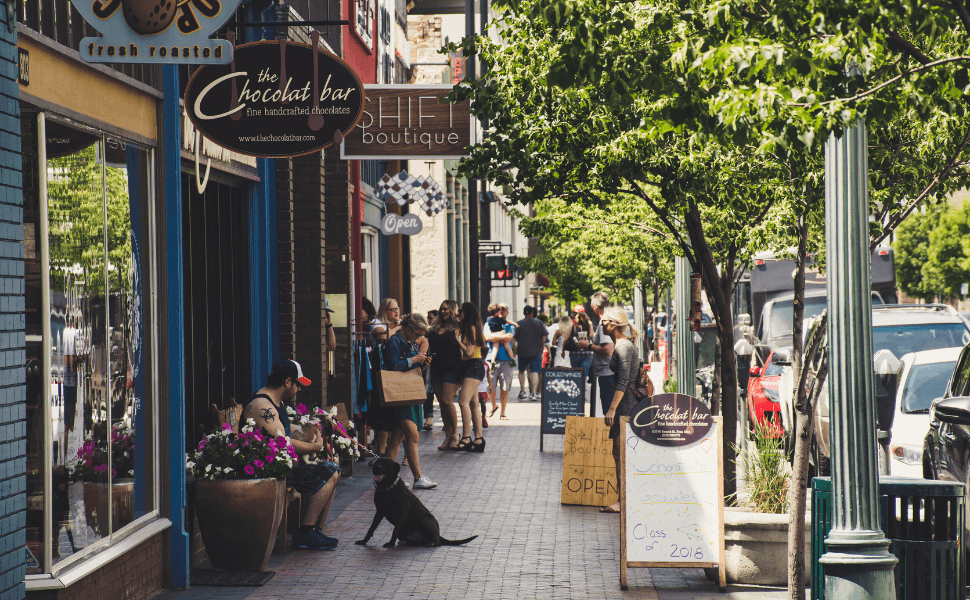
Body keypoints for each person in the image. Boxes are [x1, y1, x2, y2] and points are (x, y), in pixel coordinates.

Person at [243, 360, 341, 549]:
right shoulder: (262, 406)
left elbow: (285, 430)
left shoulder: (274, 402)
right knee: (329, 471)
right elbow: (283, 442)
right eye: (298, 384)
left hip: (282, 462)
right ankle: (306, 532)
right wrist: (315, 446)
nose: (299, 389)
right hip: (269, 468)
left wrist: (314, 428)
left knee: (332, 466)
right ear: (288, 382)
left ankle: (314, 530)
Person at [384, 313, 438, 489]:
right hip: (401, 395)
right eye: (417, 333)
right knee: (413, 435)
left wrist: (423, 362)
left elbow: (411, 366)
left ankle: (388, 477)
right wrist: (415, 359)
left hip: (408, 393)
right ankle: (418, 477)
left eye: (420, 334)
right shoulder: (395, 341)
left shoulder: (409, 342)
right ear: (408, 327)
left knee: (397, 438)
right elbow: (393, 366)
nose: (418, 337)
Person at [599, 307, 641, 514]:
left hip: (626, 405)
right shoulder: (622, 344)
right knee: (619, 453)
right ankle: (624, 498)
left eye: (604, 321)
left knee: (621, 453)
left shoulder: (623, 346)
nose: (601, 324)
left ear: (614, 324)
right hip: (626, 404)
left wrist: (612, 409)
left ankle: (623, 501)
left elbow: (624, 380)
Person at [427, 300, 462, 450]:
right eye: (441, 309)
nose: (443, 312)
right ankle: (447, 436)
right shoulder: (434, 328)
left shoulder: (458, 327)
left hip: (452, 368)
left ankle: (455, 434)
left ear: (453, 310)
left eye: (446, 309)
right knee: (442, 402)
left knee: (447, 400)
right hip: (436, 368)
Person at [575, 292, 614, 415]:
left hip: (607, 374)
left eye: (591, 308)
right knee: (610, 412)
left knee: (608, 412)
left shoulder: (604, 323)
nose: (591, 311)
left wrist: (588, 346)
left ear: (595, 308)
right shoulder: (609, 319)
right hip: (608, 373)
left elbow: (607, 350)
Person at [455, 302, 487, 451]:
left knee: (463, 402)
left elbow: (468, 352)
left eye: (461, 310)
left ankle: (466, 437)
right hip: (472, 366)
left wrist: (457, 340)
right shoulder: (472, 328)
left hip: (473, 366)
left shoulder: (471, 329)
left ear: (467, 313)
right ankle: (478, 439)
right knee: (474, 404)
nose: (458, 313)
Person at [483, 303, 516, 420]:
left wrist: (496, 337)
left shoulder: (509, 325)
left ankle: (503, 412)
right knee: (490, 386)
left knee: (505, 387)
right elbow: (487, 337)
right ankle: (493, 406)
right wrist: (502, 336)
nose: (501, 311)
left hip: (506, 360)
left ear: (507, 312)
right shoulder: (488, 323)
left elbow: (509, 337)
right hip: (490, 359)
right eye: (500, 309)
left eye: (504, 309)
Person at [515, 305, 548, 401]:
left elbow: (514, 337)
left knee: (521, 371)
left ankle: (522, 391)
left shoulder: (519, 324)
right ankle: (534, 393)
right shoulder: (539, 323)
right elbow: (544, 336)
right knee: (535, 372)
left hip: (522, 351)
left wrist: (514, 349)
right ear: (532, 312)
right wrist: (541, 346)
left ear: (523, 313)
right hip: (536, 351)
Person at [563, 308, 594, 379]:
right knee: (584, 376)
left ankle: (578, 385)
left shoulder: (573, 328)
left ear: (580, 319)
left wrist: (563, 350)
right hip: (586, 354)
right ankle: (583, 385)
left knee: (576, 375)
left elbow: (565, 339)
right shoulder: (588, 326)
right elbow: (592, 336)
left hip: (575, 354)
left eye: (576, 317)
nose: (575, 318)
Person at [422, 309, 439, 431]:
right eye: (428, 317)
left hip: (438, 365)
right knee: (428, 391)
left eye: (430, 318)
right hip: (428, 364)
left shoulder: (440, 332)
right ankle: (428, 419)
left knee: (441, 394)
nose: (428, 320)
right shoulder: (427, 332)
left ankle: (447, 422)